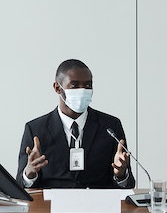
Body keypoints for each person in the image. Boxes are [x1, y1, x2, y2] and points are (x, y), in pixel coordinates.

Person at [17, 59, 135, 190]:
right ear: (57, 88)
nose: (82, 90)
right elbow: (20, 184)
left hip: (98, 206)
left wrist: (121, 175)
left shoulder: (111, 126)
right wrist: (29, 174)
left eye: (88, 85)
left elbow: (129, 184)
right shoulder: (35, 129)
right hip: (51, 207)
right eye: (74, 85)